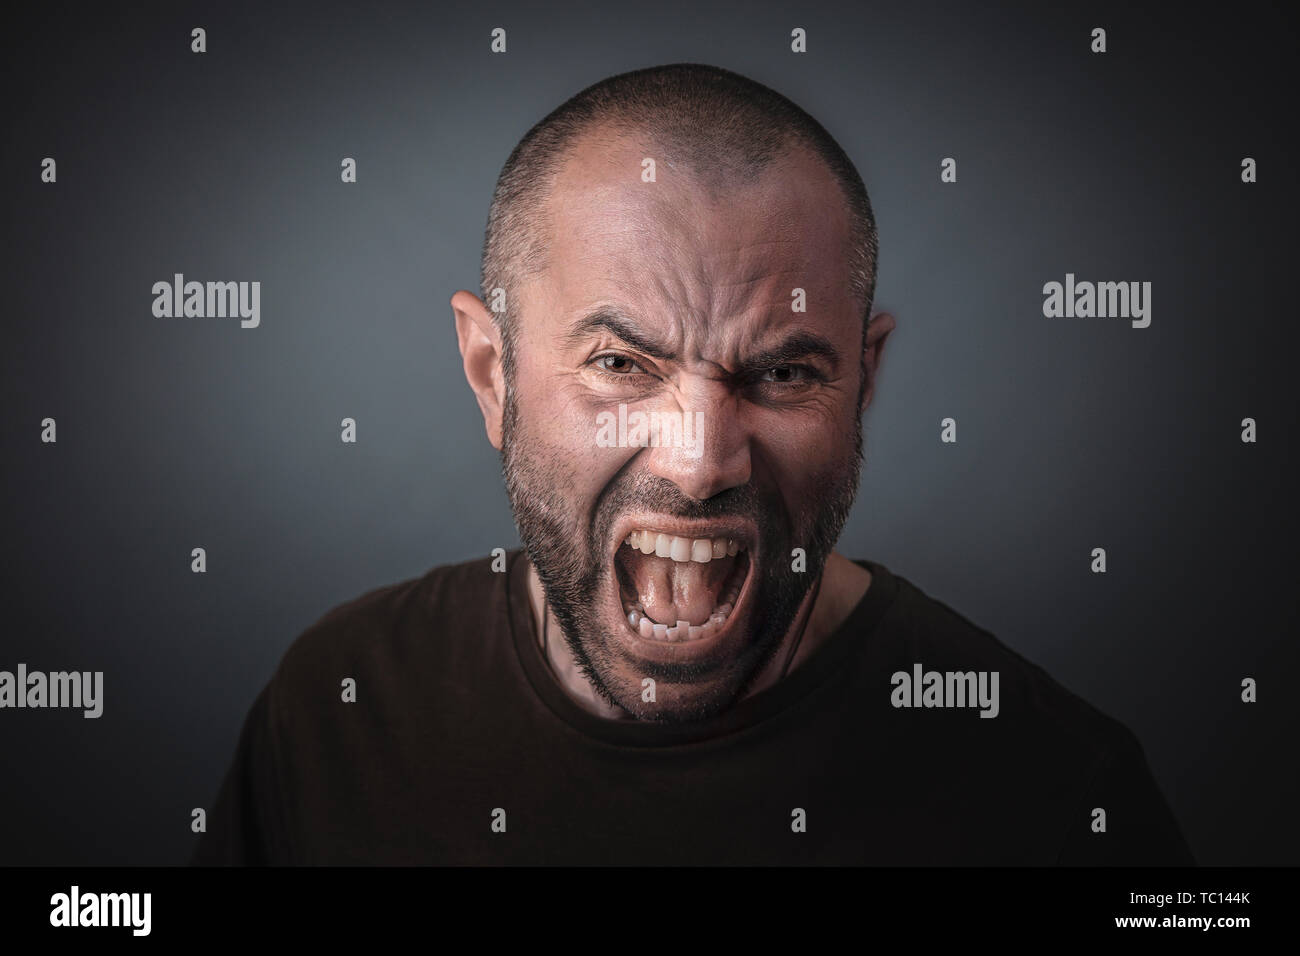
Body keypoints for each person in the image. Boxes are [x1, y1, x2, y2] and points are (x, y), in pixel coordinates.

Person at [192, 63, 1193, 865]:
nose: (702, 458)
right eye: (621, 364)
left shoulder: (1059, 793)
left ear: (863, 381)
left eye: (785, 371)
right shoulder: (338, 706)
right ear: (492, 371)